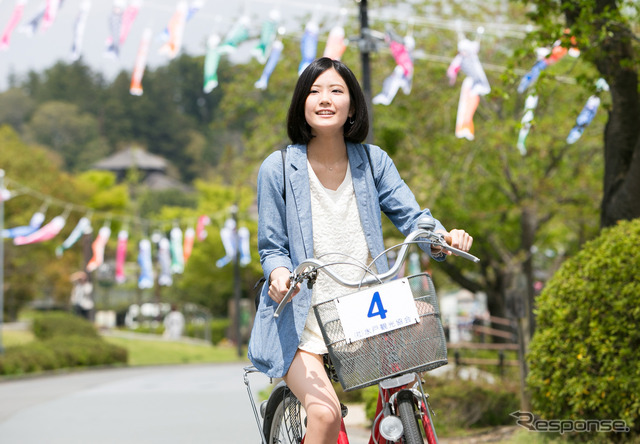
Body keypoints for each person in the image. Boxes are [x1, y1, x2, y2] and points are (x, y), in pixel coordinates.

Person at [248, 57, 473, 443]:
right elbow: (272, 247)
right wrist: (279, 274)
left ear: (352, 106)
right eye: (315, 91)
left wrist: (442, 237)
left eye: (336, 91)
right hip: (303, 320)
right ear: (302, 103)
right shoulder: (278, 168)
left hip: (366, 310)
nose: (325, 99)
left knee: (416, 359)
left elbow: (413, 217)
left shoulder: (372, 161)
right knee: (324, 414)